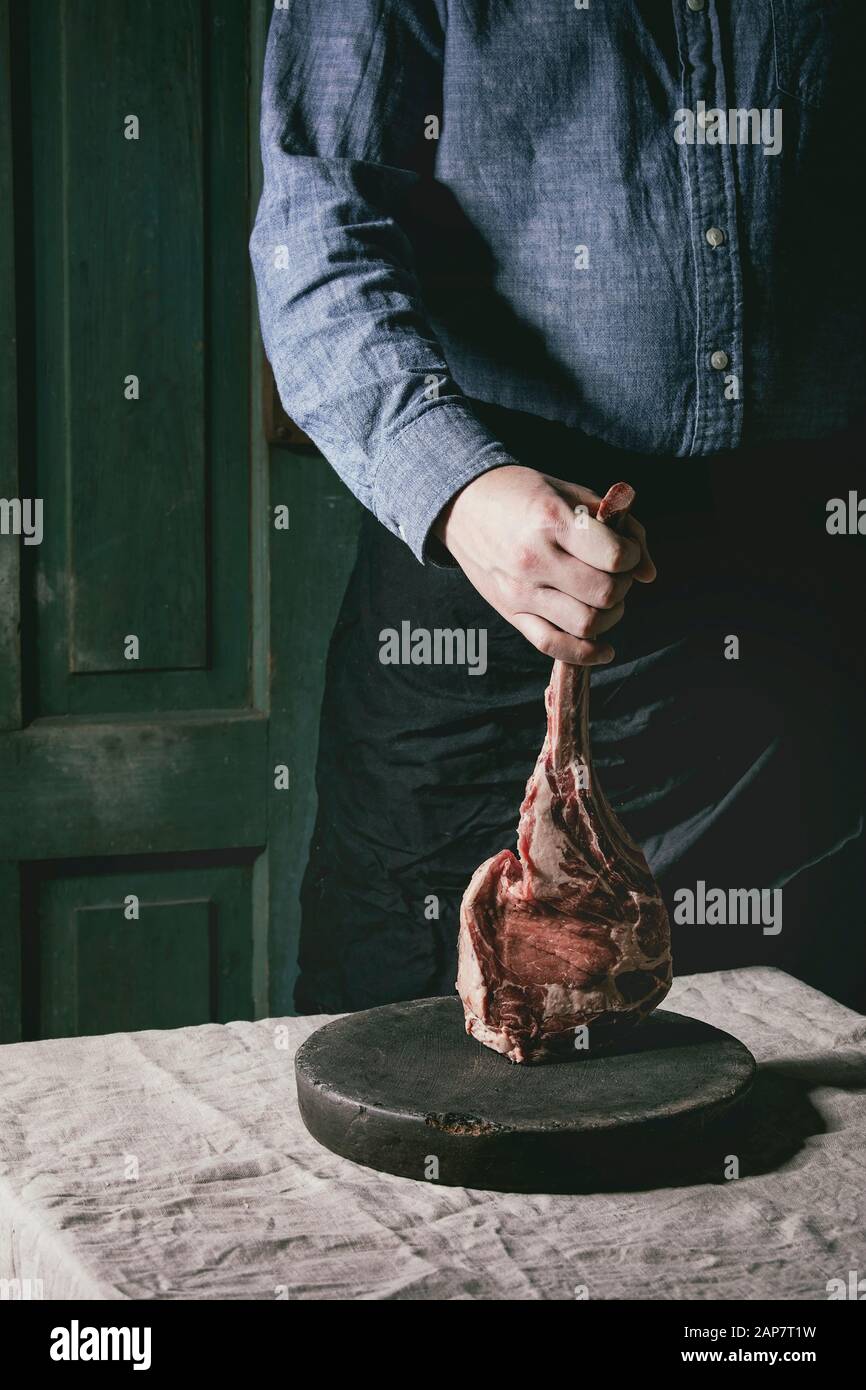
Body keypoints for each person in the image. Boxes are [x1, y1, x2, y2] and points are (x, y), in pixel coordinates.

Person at [251, 1, 865, 1014]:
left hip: (792, 609)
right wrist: (457, 486)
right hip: (477, 568)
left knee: (792, 1057)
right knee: (404, 1033)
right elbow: (314, 229)